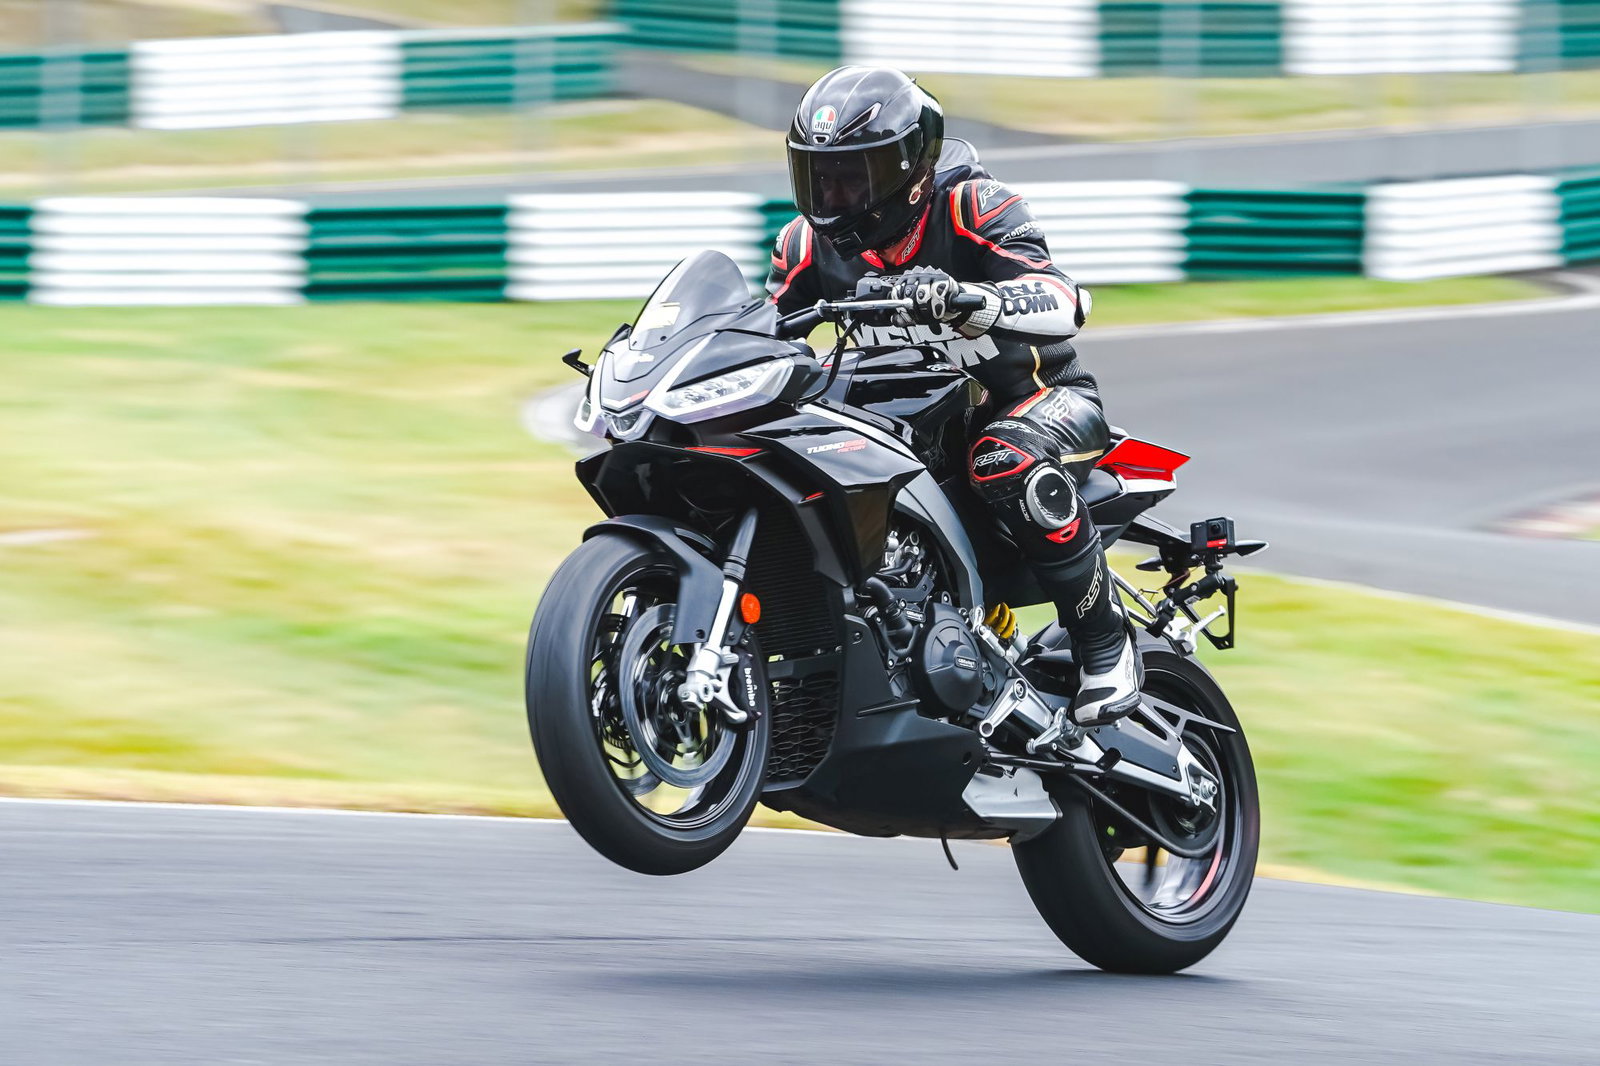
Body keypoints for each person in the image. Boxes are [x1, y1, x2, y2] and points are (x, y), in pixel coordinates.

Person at [766, 66, 1139, 725]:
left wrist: (975, 300)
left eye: (853, 176)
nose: (833, 196)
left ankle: (1106, 643)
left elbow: (1066, 301)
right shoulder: (803, 244)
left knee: (1002, 458)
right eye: (819, 177)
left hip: (1037, 401)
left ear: (911, 171)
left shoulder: (975, 207)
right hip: (920, 428)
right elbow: (762, 330)